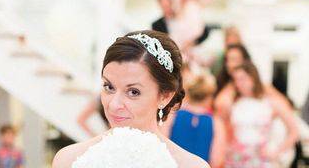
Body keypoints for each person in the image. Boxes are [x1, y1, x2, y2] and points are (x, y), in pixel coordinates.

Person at [53, 30, 209, 168]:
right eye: (109, 87)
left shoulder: (191, 166)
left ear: (165, 96)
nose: (114, 105)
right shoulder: (67, 160)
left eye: (133, 92)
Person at [226, 62, 297, 168]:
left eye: (243, 78)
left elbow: (294, 130)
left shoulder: (269, 102)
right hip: (236, 159)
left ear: (253, 78)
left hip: (261, 159)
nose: (238, 83)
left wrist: (277, 151)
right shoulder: (235, 102)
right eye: (236, 79)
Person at [167, 71, 226, 168]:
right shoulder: (216, 123)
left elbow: (162, 146)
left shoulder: (171, 116)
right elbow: (216, 160)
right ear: (209, 96)